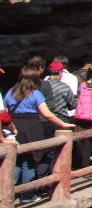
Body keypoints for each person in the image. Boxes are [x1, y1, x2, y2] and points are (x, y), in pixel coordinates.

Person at [5, 65, 67, 199]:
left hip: (15, 127)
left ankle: (9, 194)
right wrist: (62, 123)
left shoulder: (11, 92)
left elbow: (4, 111)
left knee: (15, 161)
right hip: (31, 127)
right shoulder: (35, 93)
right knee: (30, 160)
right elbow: (47, 114)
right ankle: (27, 195)